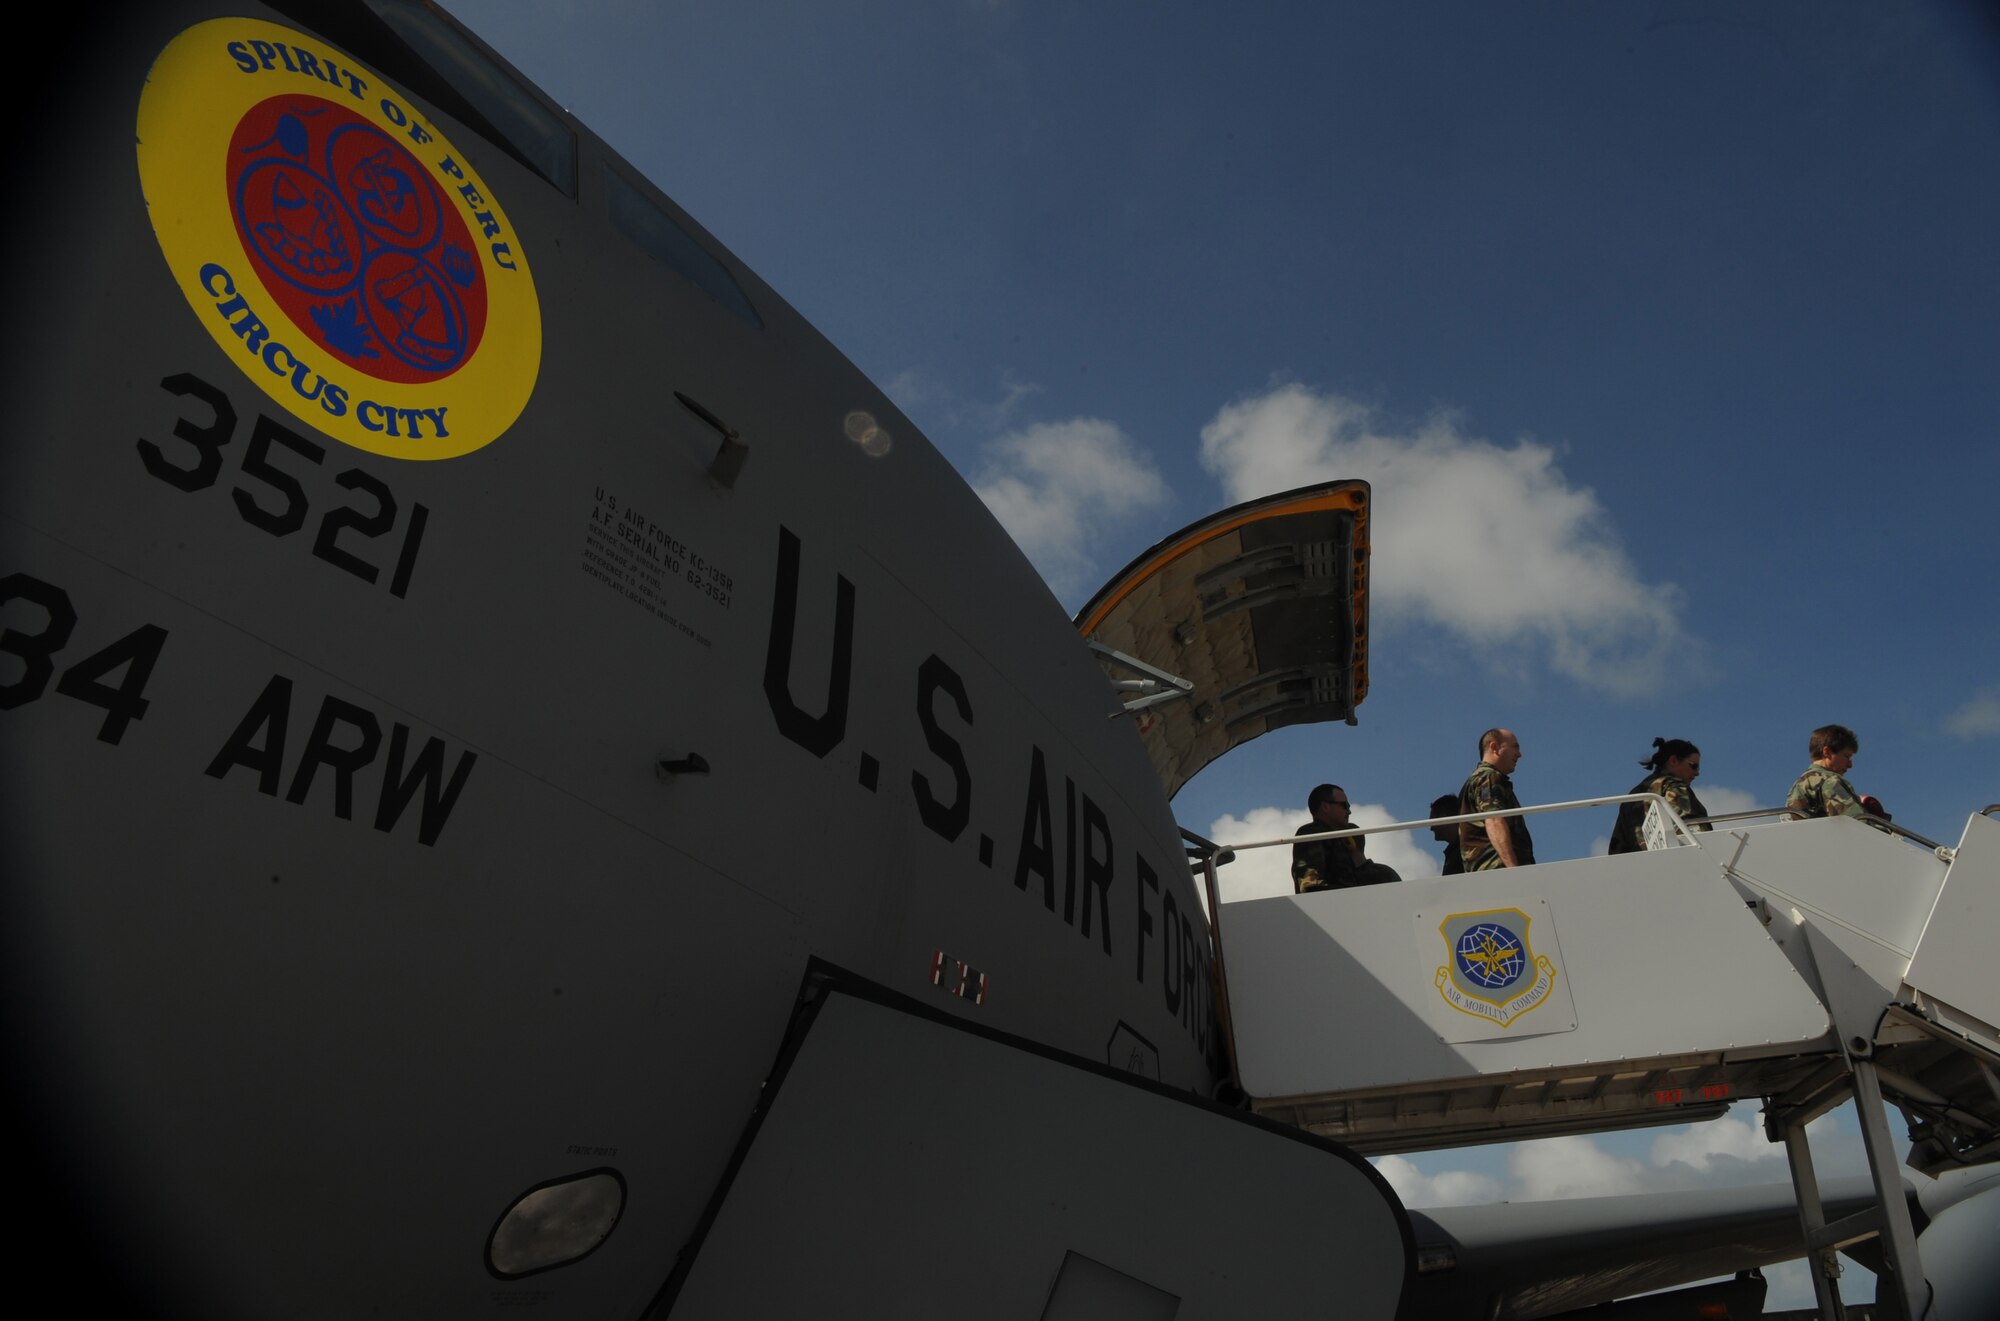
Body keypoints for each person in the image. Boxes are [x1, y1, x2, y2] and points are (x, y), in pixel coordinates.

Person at [1609, 738, 1710, 853]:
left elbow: (1617, 846)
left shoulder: (1633, 795)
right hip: (1674, 862)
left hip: (1634, 866)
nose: (1697, 773)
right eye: (1694, 766)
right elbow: (1691, 831)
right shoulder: (1673, 785)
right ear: (1673, 761)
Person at [1292, 784, 1399, 891]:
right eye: (1344, 805)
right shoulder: (1311, 833)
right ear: (1325, 807)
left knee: (1386, 874)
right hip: (1332, 902)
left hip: (1352, 900)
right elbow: (1310, 885)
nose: (1349, 811)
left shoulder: (1349, 834)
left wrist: (1358, 856)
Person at [1459, 728, 1534, 870]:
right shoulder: (1488, 777)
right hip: (1498, 870)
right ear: (1495, 747)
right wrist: (1513, 869)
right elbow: (1493, 819)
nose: (1519, 754)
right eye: (1515, 747)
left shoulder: (1481, 778)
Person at [1786, 724, 1882, 820]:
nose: (1850, 765)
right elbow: (1857, 823)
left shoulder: (1798, 786)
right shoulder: (1830, 781)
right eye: (1847, 756)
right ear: (1827, 752)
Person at [1428, 793, 1465, 874]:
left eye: (1432, 821)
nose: (1431, 828)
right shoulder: (1455, 850)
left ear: (1443, 817)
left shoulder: (1467, 848)